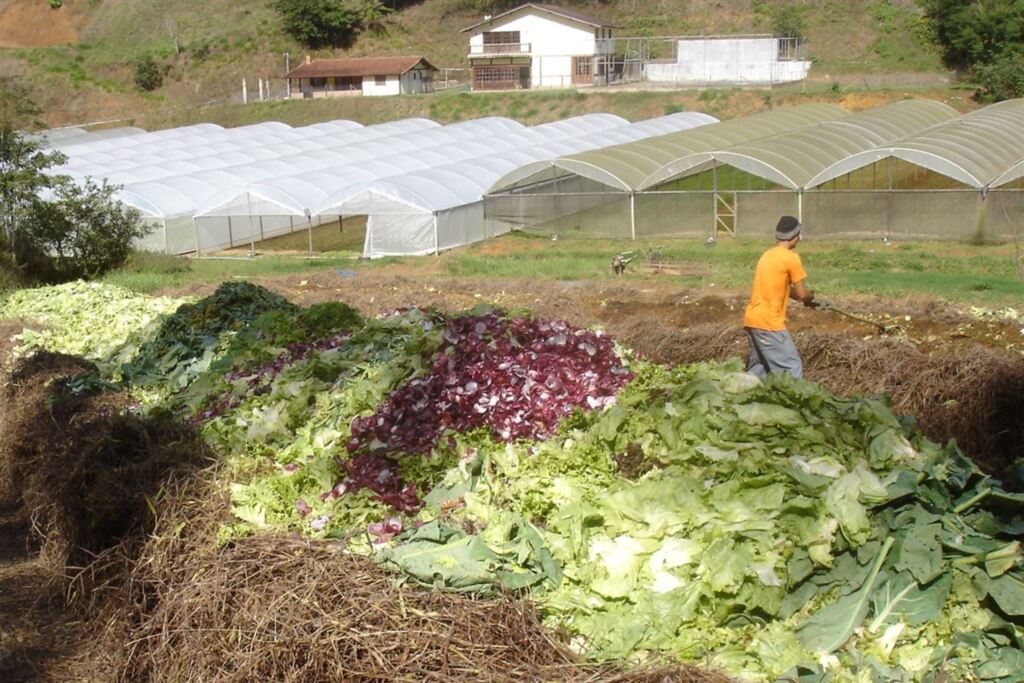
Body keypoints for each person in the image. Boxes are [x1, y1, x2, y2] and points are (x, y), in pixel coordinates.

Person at [743, 215, 819, 379]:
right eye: (799, 234)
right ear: (794, 236)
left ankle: (743, 393)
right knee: (791, 367)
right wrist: (810, 298)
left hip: (752, 319)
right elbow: (802, 294)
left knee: (760, 369)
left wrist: (802, 298)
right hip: (769, 323)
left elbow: (783, 288)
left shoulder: (767, 255)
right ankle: (793, 396)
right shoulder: (791, 258)